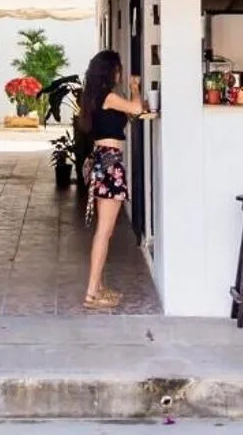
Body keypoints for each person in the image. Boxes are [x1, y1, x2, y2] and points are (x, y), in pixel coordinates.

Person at [76, 49, 146, 310]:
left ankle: (98, 287)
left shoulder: (95, 97)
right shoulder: (109, 97)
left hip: (103, 162)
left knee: (103, 232)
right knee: (104, 232)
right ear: (110, 71)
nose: (120, 73)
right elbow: (137, 109)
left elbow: (127, 114)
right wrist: (135, 88)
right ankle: (91, 293)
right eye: (118, 69)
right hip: (110, 164)